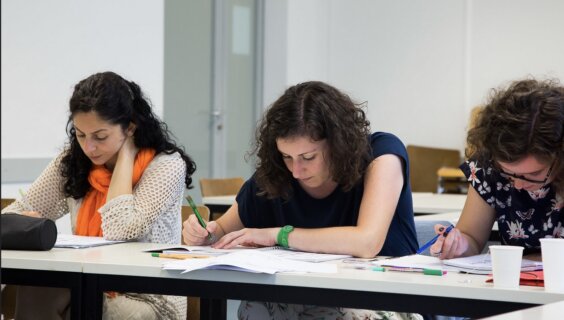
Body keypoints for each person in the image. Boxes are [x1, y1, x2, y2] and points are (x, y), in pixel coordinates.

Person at [183, 81, 421, 320]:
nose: (296, 171)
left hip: (387, 299)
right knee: (254, 307)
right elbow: (223, 228)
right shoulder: (277, 175)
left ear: (338, 143)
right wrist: (206, 234)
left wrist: (278, 235)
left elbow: (367, 242)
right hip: (307, 301)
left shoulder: (382, 154)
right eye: (287, 156)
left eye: (308, 157)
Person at [2, 71, 196, 319]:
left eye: (100, 137)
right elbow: (13, 214)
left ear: (130, 128)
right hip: (86, 281)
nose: (88, 147)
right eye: (80, 135)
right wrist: (24, 221)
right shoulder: (74, 162)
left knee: (51, 291)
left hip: (150, 298)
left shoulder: (165, 165)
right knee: (40, 285)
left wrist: (126, 156)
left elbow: (119, 229)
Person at [430, 78, 563, 259]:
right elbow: (472, 237)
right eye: (508, 174)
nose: (518, 185)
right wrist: (459, 245)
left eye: (533, 174)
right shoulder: (489, 167)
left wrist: (517, 261)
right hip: (509, 284)